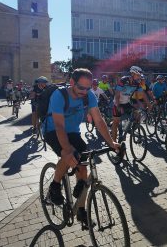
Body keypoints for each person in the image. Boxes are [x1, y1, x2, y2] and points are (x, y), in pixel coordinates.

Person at [45, 68, 120, 227]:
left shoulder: (89, 95)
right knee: (69, 154)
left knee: (83, 168)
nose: (84, 92)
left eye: (87, 88)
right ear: (72, 82)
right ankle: (55, 186)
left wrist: (111, 143)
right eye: (81, 88)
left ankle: (81, 210)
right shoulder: (59, 96)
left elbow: (99, 121)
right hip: (53, 130)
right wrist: (66, 149)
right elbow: (59, 126)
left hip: (72, 132)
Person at [111, 66, 151, 141]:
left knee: (137, 112)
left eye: (140, 75)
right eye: (138, 75)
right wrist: (118, 105)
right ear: (132, 74)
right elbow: (117, 94)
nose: (139, 77)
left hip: (127, 102)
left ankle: (127, 129)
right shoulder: (123, 80)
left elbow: (143, 94)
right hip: (118, 102)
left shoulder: (137, 83)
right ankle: (113, 143)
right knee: (116, 122)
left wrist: (148, 104)